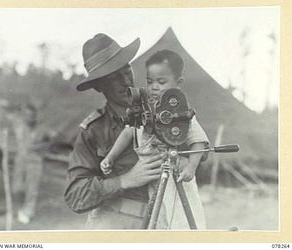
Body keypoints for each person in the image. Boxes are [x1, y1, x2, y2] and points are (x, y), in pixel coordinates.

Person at [64, 33, 165, 229]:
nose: (125, 80)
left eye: (126, 69)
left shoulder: (163, 110)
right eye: (113, 77)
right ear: (99, 87)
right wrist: (124, 180)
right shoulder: (94, 130)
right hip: (116, 223)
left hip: (166, 219)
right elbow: (75, 195)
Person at [100, 49, 209, 229]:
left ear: (178, 84)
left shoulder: (181, 112)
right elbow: (129, 132)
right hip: (153, 177)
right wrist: (110, 157)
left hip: (176, 176)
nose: (154, 87)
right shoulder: (144, 109)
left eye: (161, 82)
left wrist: (191, 166)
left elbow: (198, 140)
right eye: (150, 82)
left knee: (183, 219)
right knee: (158, 221)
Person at [11, 103, 56, 224]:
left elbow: (50, 142)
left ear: (35, 116)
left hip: (34, 162)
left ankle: (27, 212)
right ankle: (17, 209)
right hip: (20, 160)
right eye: (27, 115)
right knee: (16, 186)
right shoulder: (18, 126)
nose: (30, 118)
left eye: (32, 115)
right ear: (23, 116)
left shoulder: (42, 128)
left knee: (32, 188)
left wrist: (38, 147)